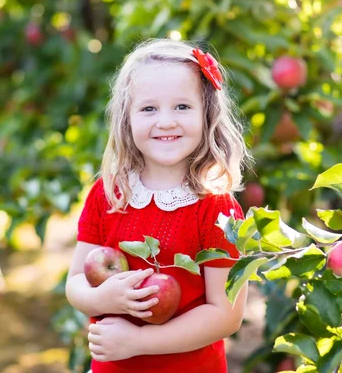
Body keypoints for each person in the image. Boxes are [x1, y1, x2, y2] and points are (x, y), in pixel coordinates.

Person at [65, 38, 252, 373]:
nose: (166, 121)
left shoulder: (217, 209)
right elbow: (76, 280)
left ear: (207, 114)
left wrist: (138, 343)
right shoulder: (110, 193)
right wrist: (100, 299)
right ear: (127, 119)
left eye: (182, 107)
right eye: (149, 109)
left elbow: (226, 315)